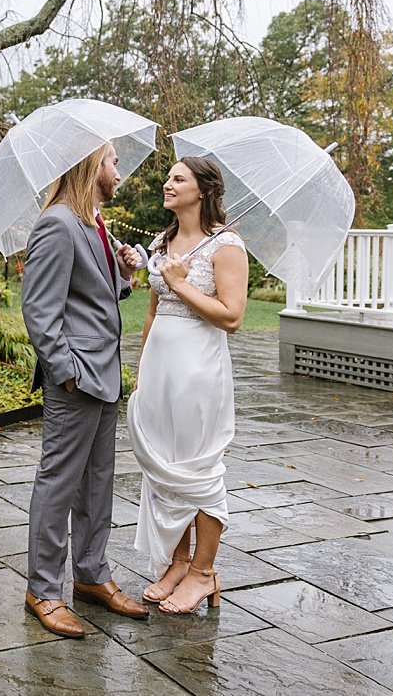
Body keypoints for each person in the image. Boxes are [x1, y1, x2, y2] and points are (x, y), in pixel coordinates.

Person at [20, 142, 148, 638]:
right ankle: (44, 590)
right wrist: (65, 370)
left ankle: (92, 575)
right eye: (114, 162)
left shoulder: (93, 222)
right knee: (59, 484)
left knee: (97, 482)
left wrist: (125, 270)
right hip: (77, 379)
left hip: (106, 375)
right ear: (95, 167)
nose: (120, 173)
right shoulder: (57, 222)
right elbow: (39, 310)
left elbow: (102, 294)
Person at [126, 156, 248, 615]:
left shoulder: (227, 245)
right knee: (165, 466)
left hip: (199, 369)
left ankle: (203, 572)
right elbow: (153, 314)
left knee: (199, 468)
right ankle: (177, 563)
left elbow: (232, 317)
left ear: (203, 189)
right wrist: (142, 370)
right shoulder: (164, 241)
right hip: (160, 369)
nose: (167, 183)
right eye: (169, 177)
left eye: (178, 178)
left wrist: (181, 284)